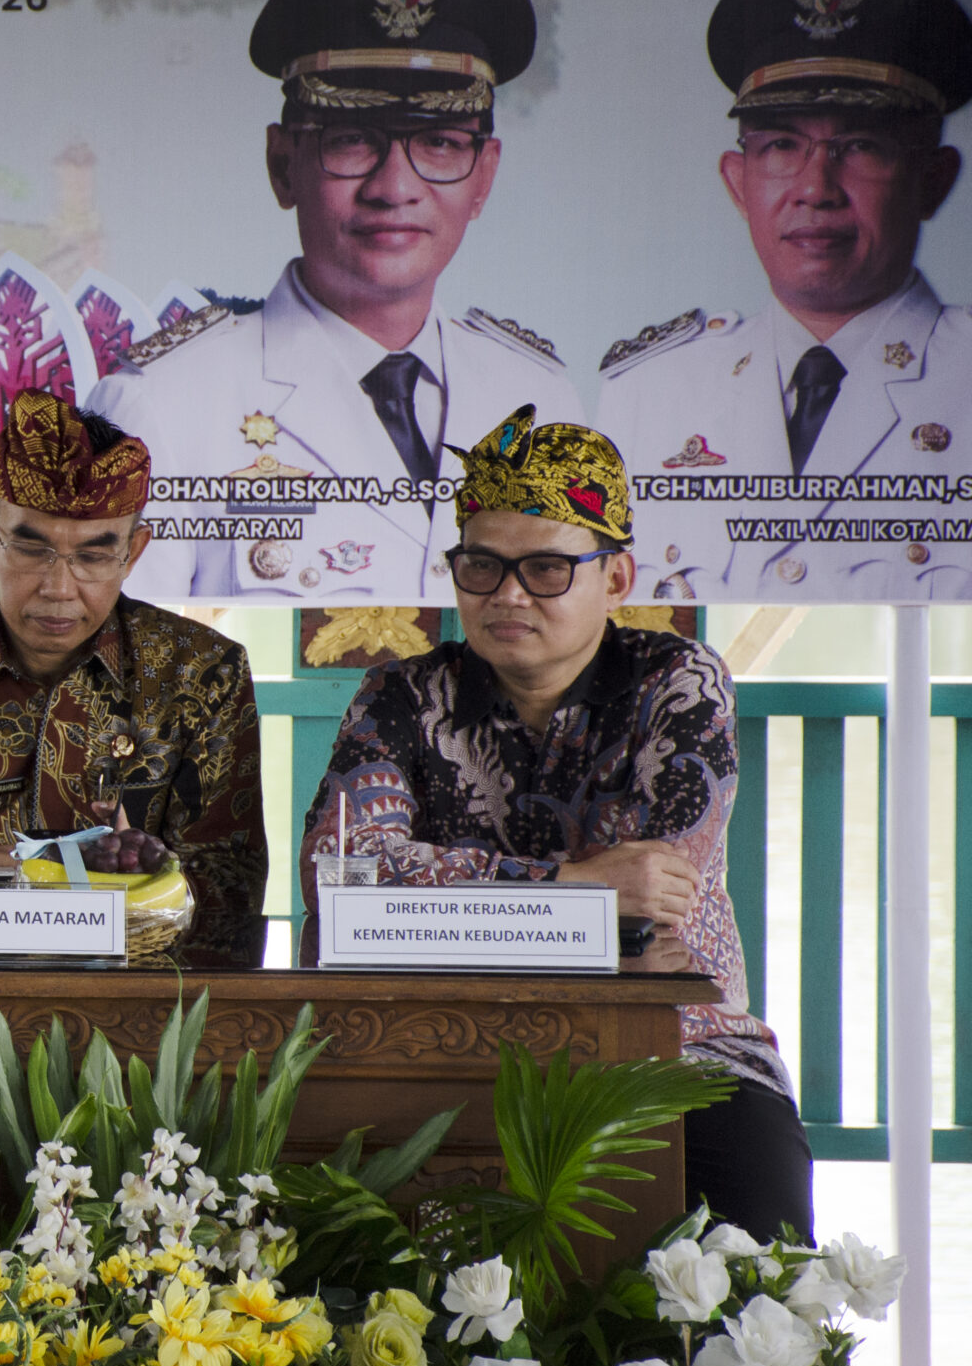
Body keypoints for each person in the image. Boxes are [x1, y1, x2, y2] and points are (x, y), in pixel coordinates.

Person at [298, 406, 808, 1240]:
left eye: (544, 568)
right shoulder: (400, 696)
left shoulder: (678, 684)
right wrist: (573, 884)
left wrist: (440, 902)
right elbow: (342, 880)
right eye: (480, 565)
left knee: (760, 1240)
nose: (505, 594)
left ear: (616, 577)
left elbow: (652, 905)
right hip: (434, 1039)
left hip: (668, 1046)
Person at [85, 0, 580, 603]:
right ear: (283, 164)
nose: (394, 187)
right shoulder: (160, 408)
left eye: (438, 143)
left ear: (484, 177)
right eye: (352, 139)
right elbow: (124, 681)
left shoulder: (540, 400)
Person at [0, 390, 269, 967]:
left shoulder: (203, 674)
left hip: (143, 1016)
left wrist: (144, 874)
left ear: (133, 552)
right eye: (33, 550)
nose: (59, 588)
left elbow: (230, 892)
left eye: (92, 556)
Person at [598, 0, 970, 601]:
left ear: (933, 180)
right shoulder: (651, 397)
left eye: (860, 145)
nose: (814, 187)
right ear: (738, 183)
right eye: (780, 146)